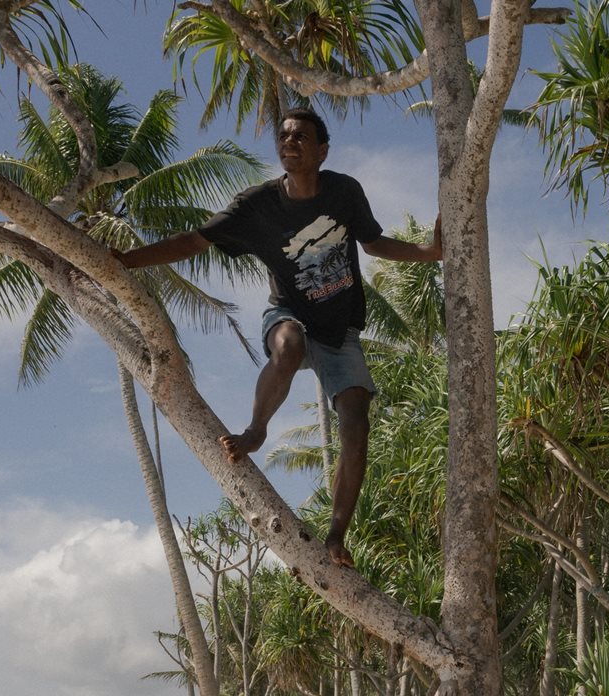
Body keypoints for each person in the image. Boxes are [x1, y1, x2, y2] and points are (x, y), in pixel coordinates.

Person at [116, 108, 442, 567]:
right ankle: (255, 430)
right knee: (287, 346)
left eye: (302, 136)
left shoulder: (345, 191)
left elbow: (374, 243)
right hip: (288, 313)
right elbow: (194, 241)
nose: (290, 142)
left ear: (322, 150)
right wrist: (125, 261)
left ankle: (335, 536)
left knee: (356, 422)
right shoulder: (256, 206)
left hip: (339, 330)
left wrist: (430, 253)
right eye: (284, 136)